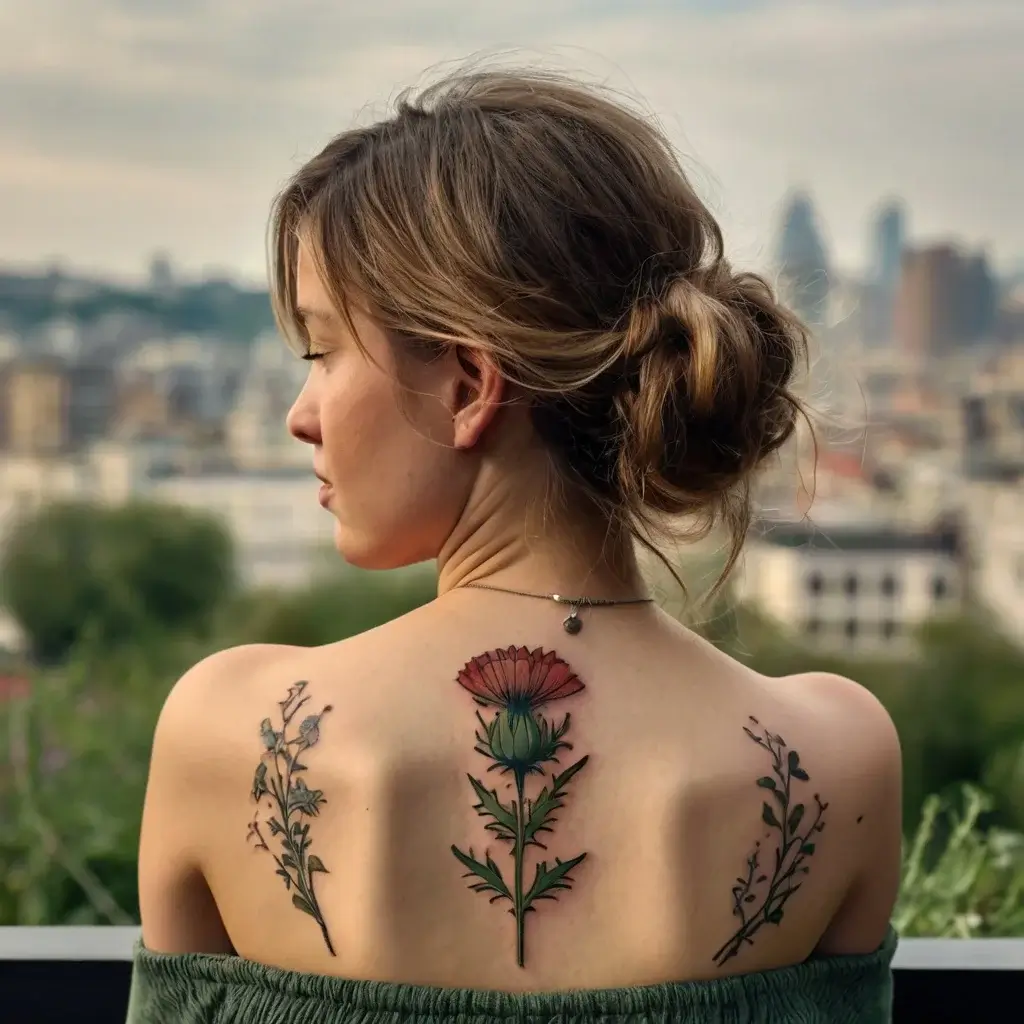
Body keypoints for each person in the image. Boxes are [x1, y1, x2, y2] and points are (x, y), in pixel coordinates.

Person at [127, 67, 901, 1023]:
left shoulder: (230, 732)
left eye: (322, 352)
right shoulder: (834, 757)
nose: (301, 415)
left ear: (467, 386)